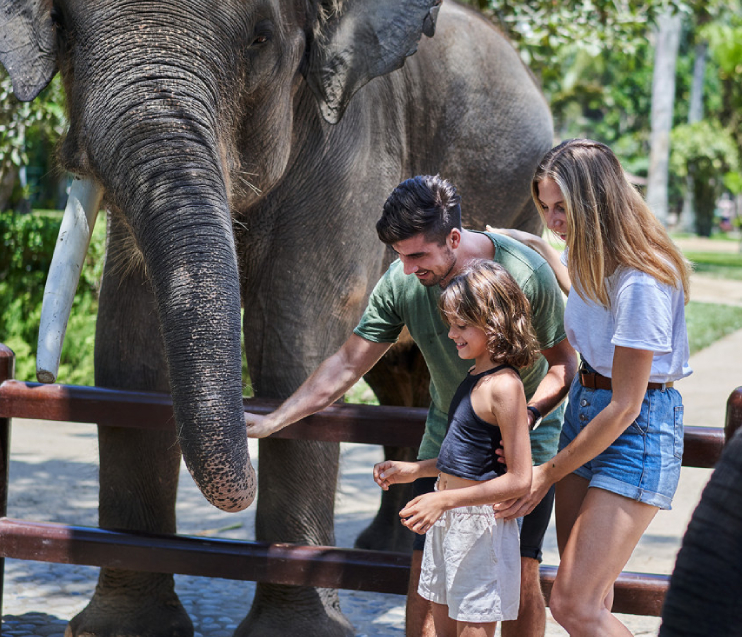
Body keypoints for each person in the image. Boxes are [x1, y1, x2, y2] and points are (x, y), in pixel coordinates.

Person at [245, 174, 577, 637]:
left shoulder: (524, 272)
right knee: (427, 588)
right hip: (446, 445)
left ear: (454, 238)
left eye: (417, 256)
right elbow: (348, 363)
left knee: (517, 579)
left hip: (523, 447)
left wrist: (527, 417)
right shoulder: (402, 281)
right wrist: (275, 420)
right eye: (399, 256)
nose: (405, 269)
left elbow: (563, 363)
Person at [495, 139, 692, 636]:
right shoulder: (592, 259)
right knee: (593, 596)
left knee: (573, 605)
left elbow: (626, 405)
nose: (553, 220)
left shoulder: (641, 281)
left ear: (595, 201)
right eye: (546, 208)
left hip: (633, 429)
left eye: (562, 207)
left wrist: (545, 474)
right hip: (586, 410)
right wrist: (539, 247)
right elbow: (586, 296)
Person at [373, 260, 536, 637]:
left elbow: (519, 480)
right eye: (451, 324)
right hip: (448, 519)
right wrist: (415, 470)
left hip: (479, 527)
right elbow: (467, 457)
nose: (451, 334)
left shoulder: (505, 386)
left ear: (494, 324)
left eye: (461, 325)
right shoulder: (473, 375)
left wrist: (443, 501)